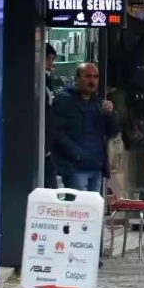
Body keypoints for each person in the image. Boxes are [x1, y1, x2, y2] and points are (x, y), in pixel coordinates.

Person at [49, 62, 118, 193]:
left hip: (96, 167)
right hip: (75, 167)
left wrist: (110, 114)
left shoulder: (98, 102)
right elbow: (56, 132)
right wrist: (76, 153)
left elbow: (112, 132)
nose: (92, 81)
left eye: (95, 77)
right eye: (87, 76)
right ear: (77, 78)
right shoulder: (64, 100)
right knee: (78, 209)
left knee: (92, 208)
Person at [43, 43, 62, 189]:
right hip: (43, 146)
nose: (51, 65)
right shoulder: (39, 83)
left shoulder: (47, 82)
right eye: (50, 59)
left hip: (47, 147)